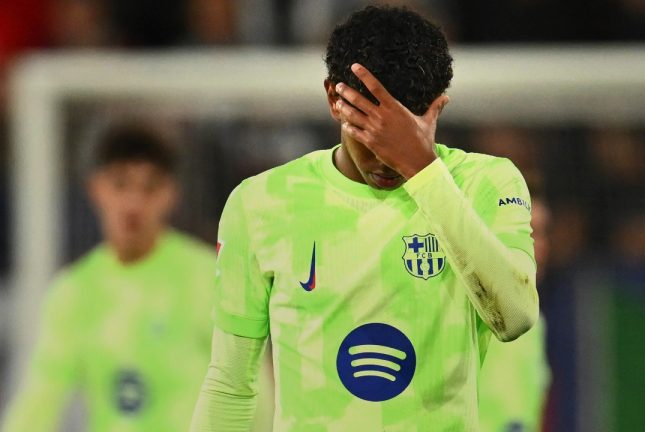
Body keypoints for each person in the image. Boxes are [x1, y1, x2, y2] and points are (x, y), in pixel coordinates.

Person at [190, 5, 538, 431]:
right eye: (368, 132)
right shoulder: (262, 203)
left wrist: (423, 169)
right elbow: (230, 383)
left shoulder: (485, 183)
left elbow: (516, 316)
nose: (385, 157)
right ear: (333, 99)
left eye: (401, 135)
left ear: (437, 109)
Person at [2, 123, 216, 431]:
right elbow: (41, 397)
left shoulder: (207, 276)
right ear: (96, 189)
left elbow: (250, 386)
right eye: (120, 185)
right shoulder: (74, 291)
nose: (133, 203)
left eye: (149, 188)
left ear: (171, 194)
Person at [479, 199, 552, 432]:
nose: (539, 246)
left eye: (543, 233)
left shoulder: (536, 322)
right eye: (528, 232)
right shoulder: (469, 312)